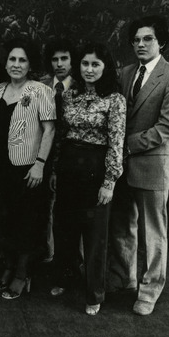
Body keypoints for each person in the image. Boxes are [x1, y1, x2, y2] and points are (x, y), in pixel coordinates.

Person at [108, 15, 169, 316]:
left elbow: (168, 127)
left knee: (153, 232)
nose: (140, 45)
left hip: (151, 166)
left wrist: (127, 144)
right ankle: (123, 279)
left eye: (148, 39)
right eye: (136, 40)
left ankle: (150, 290)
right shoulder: (125, 73)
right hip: (121, 167)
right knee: (121, 226)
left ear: (161, 42)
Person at [50, 43, 125, 316]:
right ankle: (63, 278)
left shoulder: (115, 99)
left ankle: (94, 293)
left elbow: (117, 142)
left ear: (105, 68)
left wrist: (109, 182)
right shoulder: (70, 95)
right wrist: (57, 170)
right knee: (65, 228)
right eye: (85, 64)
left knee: (94, 237)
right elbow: (60, 136)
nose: (89, 69)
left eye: (95, 64)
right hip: (69, 166)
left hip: (95, 170)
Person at [0, 37, 55, 299]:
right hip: (3, 166)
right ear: (5, 63)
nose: (16, 65)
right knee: (5, 220)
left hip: (28, 169)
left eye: (22, 60)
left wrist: (39, 165)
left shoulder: (41, 91)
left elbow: (49, 130)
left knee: (25, 223)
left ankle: (22, 274)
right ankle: (8, 266)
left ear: (30, 64)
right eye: (12, 59)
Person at [42, 38, 76, 265]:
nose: (59, 64)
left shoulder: (82, 86)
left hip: (72, 157)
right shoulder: (41, 85)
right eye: (55, 59)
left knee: (69, 211)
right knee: (46, 209)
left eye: (64, 59)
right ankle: (47, 255)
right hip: (44, 155)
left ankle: (69, 259)